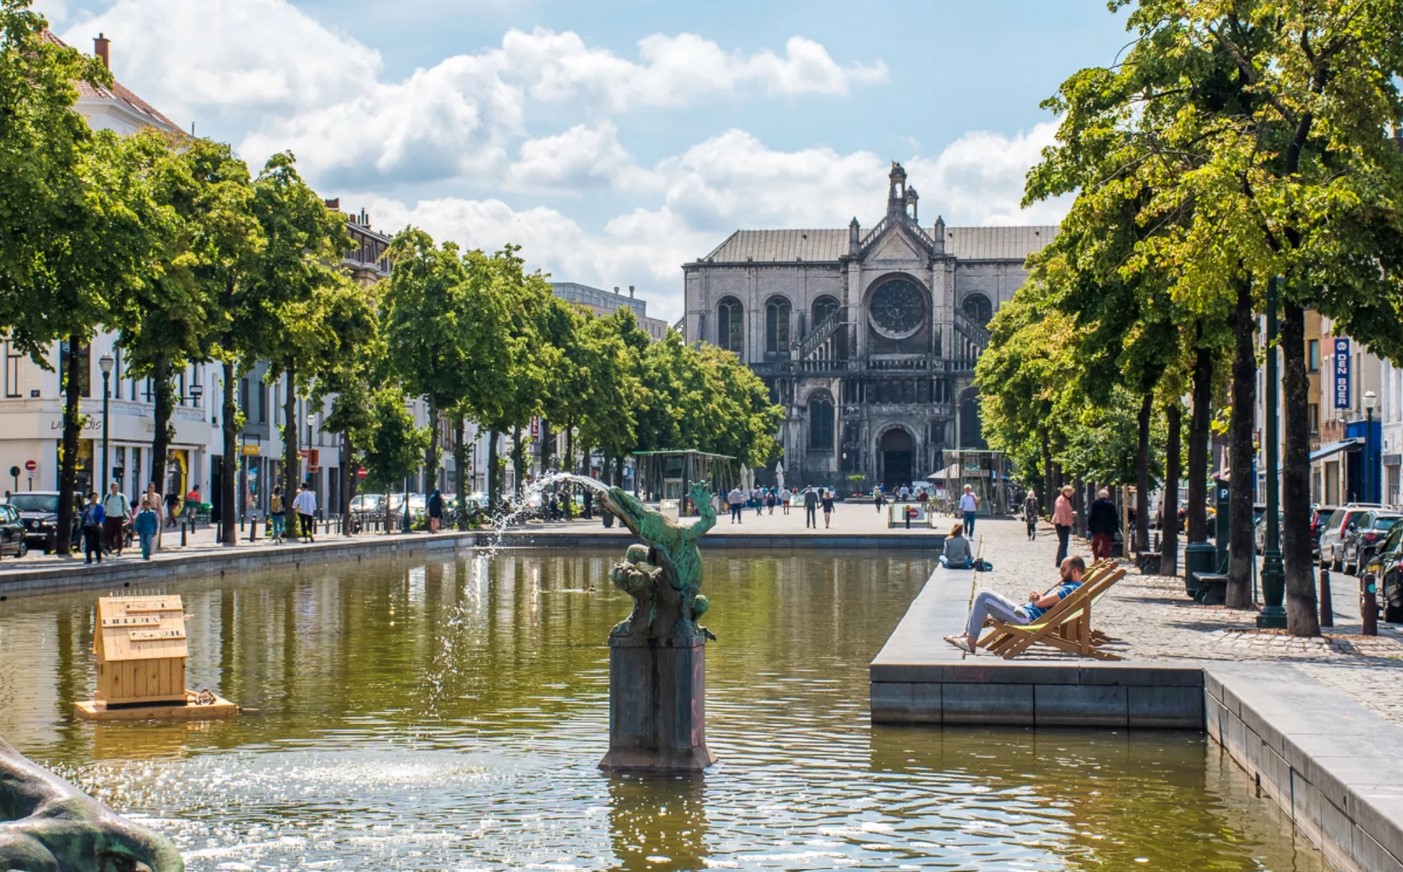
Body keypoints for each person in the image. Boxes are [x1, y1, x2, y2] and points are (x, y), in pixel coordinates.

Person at [944, 556, 1087, 654]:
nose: (1060, 572)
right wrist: (1038, 597)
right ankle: (967, 635)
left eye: (1063, 569)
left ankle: (970, 641)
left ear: (1075, 571)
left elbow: (1042, 603)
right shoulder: (1069, 586)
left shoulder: (1070, 589)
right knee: (983, 591)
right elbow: (1043, 601)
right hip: (1024, 612)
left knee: (983, 597)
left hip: (1026, 619)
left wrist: (1037, 598)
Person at [1087, 488, 1119, 560]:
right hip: (1108, 529)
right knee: (1106, 546)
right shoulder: (1111, 505)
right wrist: (1115, 528)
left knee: (1094, 544)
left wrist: (1090, 527)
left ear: (1099, 495)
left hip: (1097, 529)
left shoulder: (1095, 504)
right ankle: (1105, 560)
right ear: (1107, 496)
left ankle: (1096, 559)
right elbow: (1115, 517)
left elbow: (1091, 516)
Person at [102, 482, 129, 556]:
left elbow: (127, 507)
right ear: (111, 488)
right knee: (108, 533)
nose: (116, 489)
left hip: (118, 517)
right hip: (109, 517)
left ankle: (119, 550)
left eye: (117, 487)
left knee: (119, 534)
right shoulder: (107, 497)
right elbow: (104, 507)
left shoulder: (122, 497)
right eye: (114, 487)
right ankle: (107, 548)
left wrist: (131, 516)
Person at [1052, 485, 1076, 568]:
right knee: (1064, 543)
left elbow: (1065, 511)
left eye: (1070, 492)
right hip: (1061, 523)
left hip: (1063, 522)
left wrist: (1071, 514)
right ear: (1064, 491)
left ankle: (1059, 561)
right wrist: (1065, 523)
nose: (1069, 493)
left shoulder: (1066, 499)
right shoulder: (1061, 500)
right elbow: (1060, 513)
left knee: (1063, 543)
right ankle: (1064, 561)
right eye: (1068, 491)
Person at [80, 492, 104, 565]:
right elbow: (83, 517)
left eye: (96, 498)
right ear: (90, 498)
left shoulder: (100, 507)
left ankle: (99, 558)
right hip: (87, 526)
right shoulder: (86, 507)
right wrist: (85, 512)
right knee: (88, 542)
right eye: (93, 498)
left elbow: (102, 516)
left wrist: (100, 523)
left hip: (95, 526)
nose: (94, 499)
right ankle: (88, 559)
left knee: (96, 542)